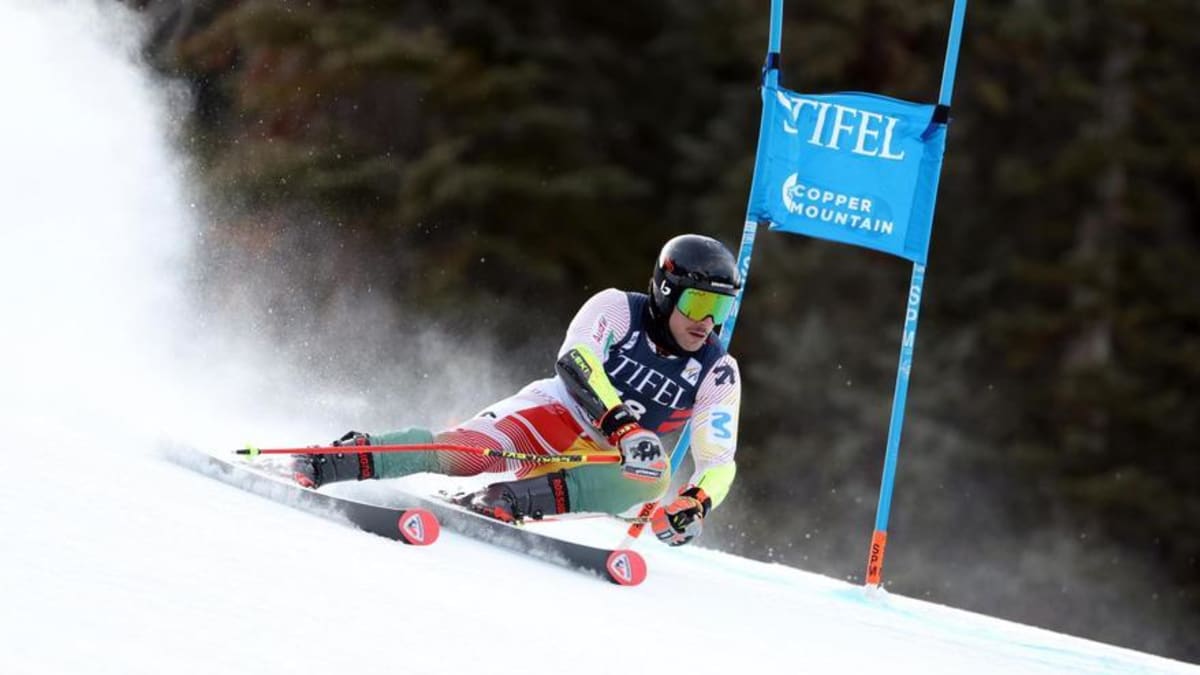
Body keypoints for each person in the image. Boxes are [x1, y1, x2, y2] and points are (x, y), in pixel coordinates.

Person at [292, 234, 743, 546]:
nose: (707, 322)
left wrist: (695, 503)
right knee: (466, 454)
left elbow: (718, 461)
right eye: (698, 303)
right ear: (665, 291)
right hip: (555, 415)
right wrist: (623, 425)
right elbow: (575, 360)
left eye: (720, 308)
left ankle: (506, 499)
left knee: (655, 474)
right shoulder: (618, 309)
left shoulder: (717, 370)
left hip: (601, 463)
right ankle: (336, 459)